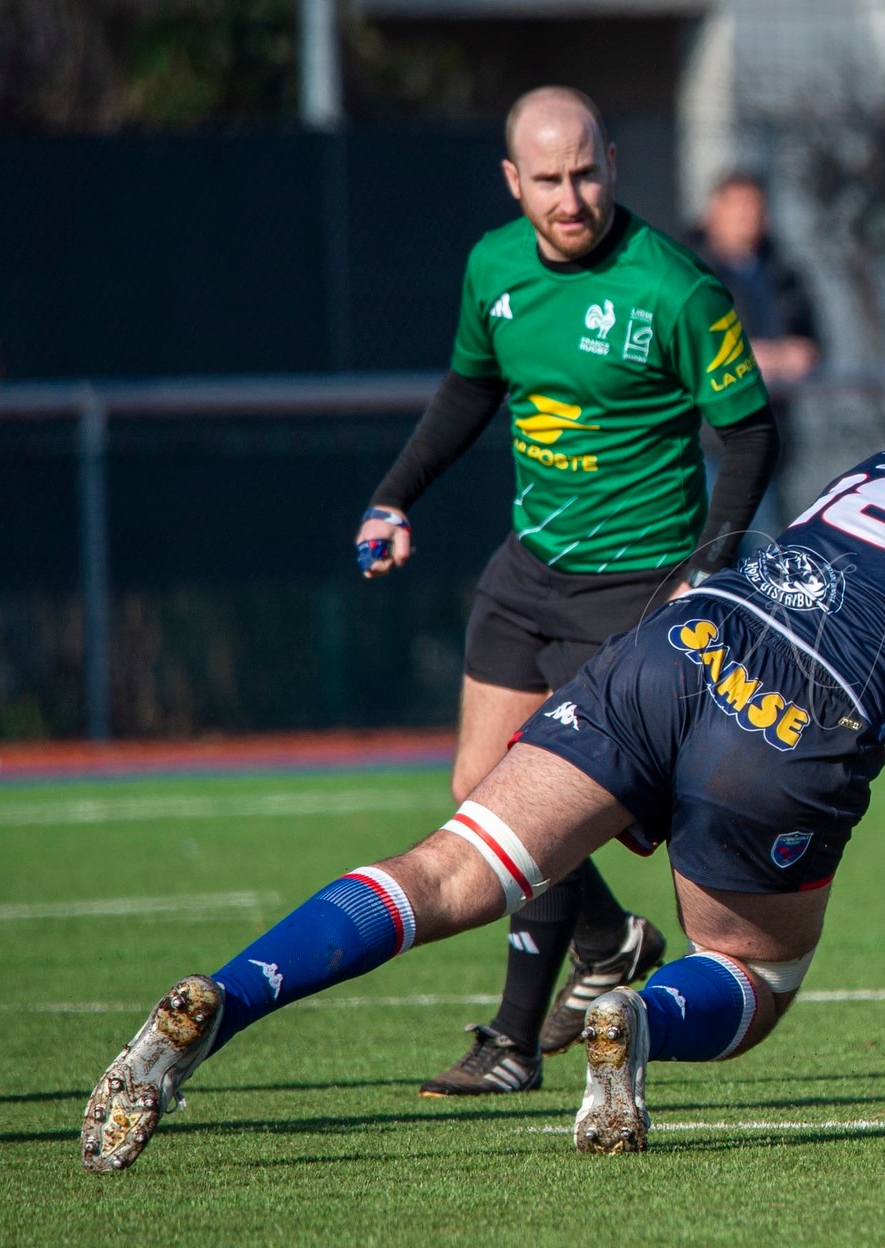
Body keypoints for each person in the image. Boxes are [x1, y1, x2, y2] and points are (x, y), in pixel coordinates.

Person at [80, 403, 885, 1170]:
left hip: (680, 642)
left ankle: (224, 999)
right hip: (795, 713)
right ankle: (638, 1021)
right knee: (757, 977)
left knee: (451, 867)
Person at [353, 86, 780, 1096]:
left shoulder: (676, 288)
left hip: (633, 586)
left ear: (612, 163)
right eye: (547, 178)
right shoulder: (493, 266)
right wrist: (393, 495)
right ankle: (609, 940)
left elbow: (750, 433)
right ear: (513, 180)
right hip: (527, 568)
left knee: (535, 805)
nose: (570, 196)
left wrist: (708, 566)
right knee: (478, 784)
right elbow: (470, 388)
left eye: (586, 172)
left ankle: (510, 1042)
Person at [689, 172, 820, 541]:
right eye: (738, 210)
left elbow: (809, 346)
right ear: (713, 213)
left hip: (770, 438)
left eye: (755, 210)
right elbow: (687, 346)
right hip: (708, 443)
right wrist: (749, 358)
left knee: (762, 552)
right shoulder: (686, 272)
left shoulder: (783, 273)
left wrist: (780, 357)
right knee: (710, 553)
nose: (748, 219)